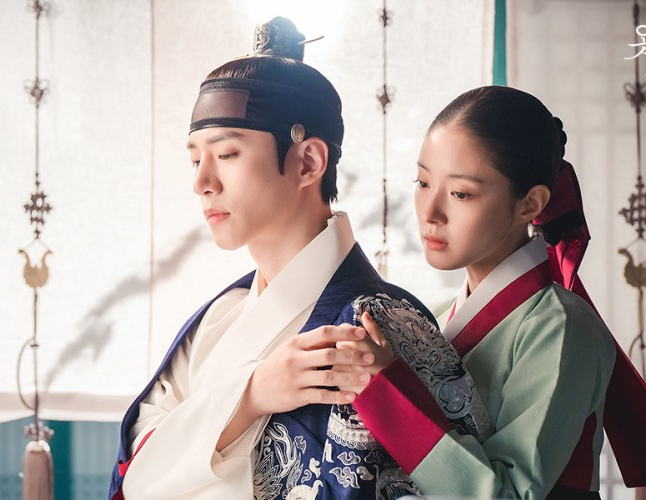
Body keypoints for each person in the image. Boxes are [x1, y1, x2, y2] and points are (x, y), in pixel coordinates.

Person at [108, 17, 490, 500]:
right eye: (195, 159)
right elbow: (136, 467)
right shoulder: (221, 315)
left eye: (227, 154)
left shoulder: (379, 324)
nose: (201, 182)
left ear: (308, 161)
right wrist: (251, 395)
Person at [335, 86, 646, 498]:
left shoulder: (562, 327)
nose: (430, 213)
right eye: (422, 182)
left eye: (460, 193)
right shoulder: (430, 319)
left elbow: (510, 494)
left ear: (529, 204)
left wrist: (387, 393)